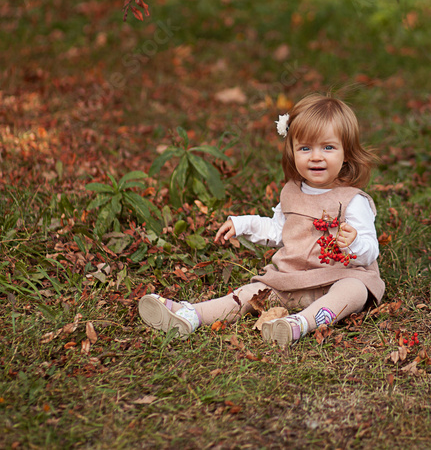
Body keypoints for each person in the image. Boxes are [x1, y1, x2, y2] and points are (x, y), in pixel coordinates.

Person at [138, 93, 384, 347]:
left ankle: (300, 323)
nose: (316, 156)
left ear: (347, 152)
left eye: (328, 147)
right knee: (249, 293)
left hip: (337, 277)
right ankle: (191, 314)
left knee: (354, 289)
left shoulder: (353, 200)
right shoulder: (291, 192)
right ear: (292, 151)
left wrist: (353, 243)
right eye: (305, 148)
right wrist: (243, 224)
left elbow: (370, 251)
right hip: (291, 281)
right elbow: (278, 231)